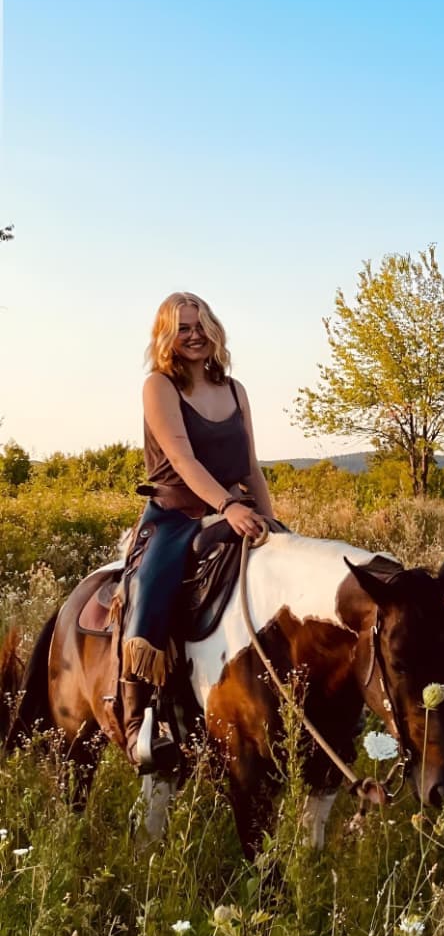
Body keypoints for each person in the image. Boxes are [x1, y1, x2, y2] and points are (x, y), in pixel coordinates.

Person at [120, 293, 275, 773]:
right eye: (182, 327)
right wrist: (226, 505)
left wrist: (270, 521)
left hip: (236, 507)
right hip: (176, 515)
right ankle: (138, 722)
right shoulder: (159, 385)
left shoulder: (234, 389)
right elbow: (183, 460)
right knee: (150, 590)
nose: (193, 334)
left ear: (214, 330)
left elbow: (250, 465)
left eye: (200, 325)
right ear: (167, 335)